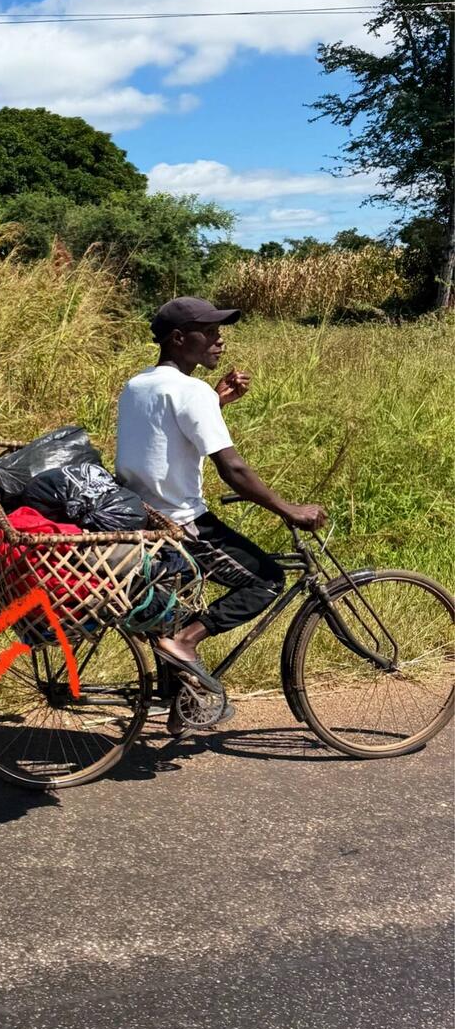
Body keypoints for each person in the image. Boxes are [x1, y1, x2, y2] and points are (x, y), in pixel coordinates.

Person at [115, 296, 327, 728]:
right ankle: (188, 644)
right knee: (266, 579)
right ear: (179, 339)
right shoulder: (192, 392)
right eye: (208, 333)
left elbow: (166, 436)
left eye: (218, 332)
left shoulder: (137, 385)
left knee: (171, 611)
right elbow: (232, 468)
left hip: (139, 517)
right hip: (181, 522)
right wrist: (289, 510)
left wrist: (216, 402)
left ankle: (184, 703)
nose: (219, 341)